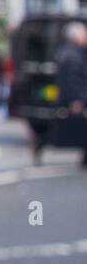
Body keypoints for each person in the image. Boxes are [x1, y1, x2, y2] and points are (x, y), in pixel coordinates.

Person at [55, 21, 87, 166]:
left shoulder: (69, 51)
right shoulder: (72, 54)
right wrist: (77, 100)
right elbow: (73, 79)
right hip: (79, 98)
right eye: (84, 33)